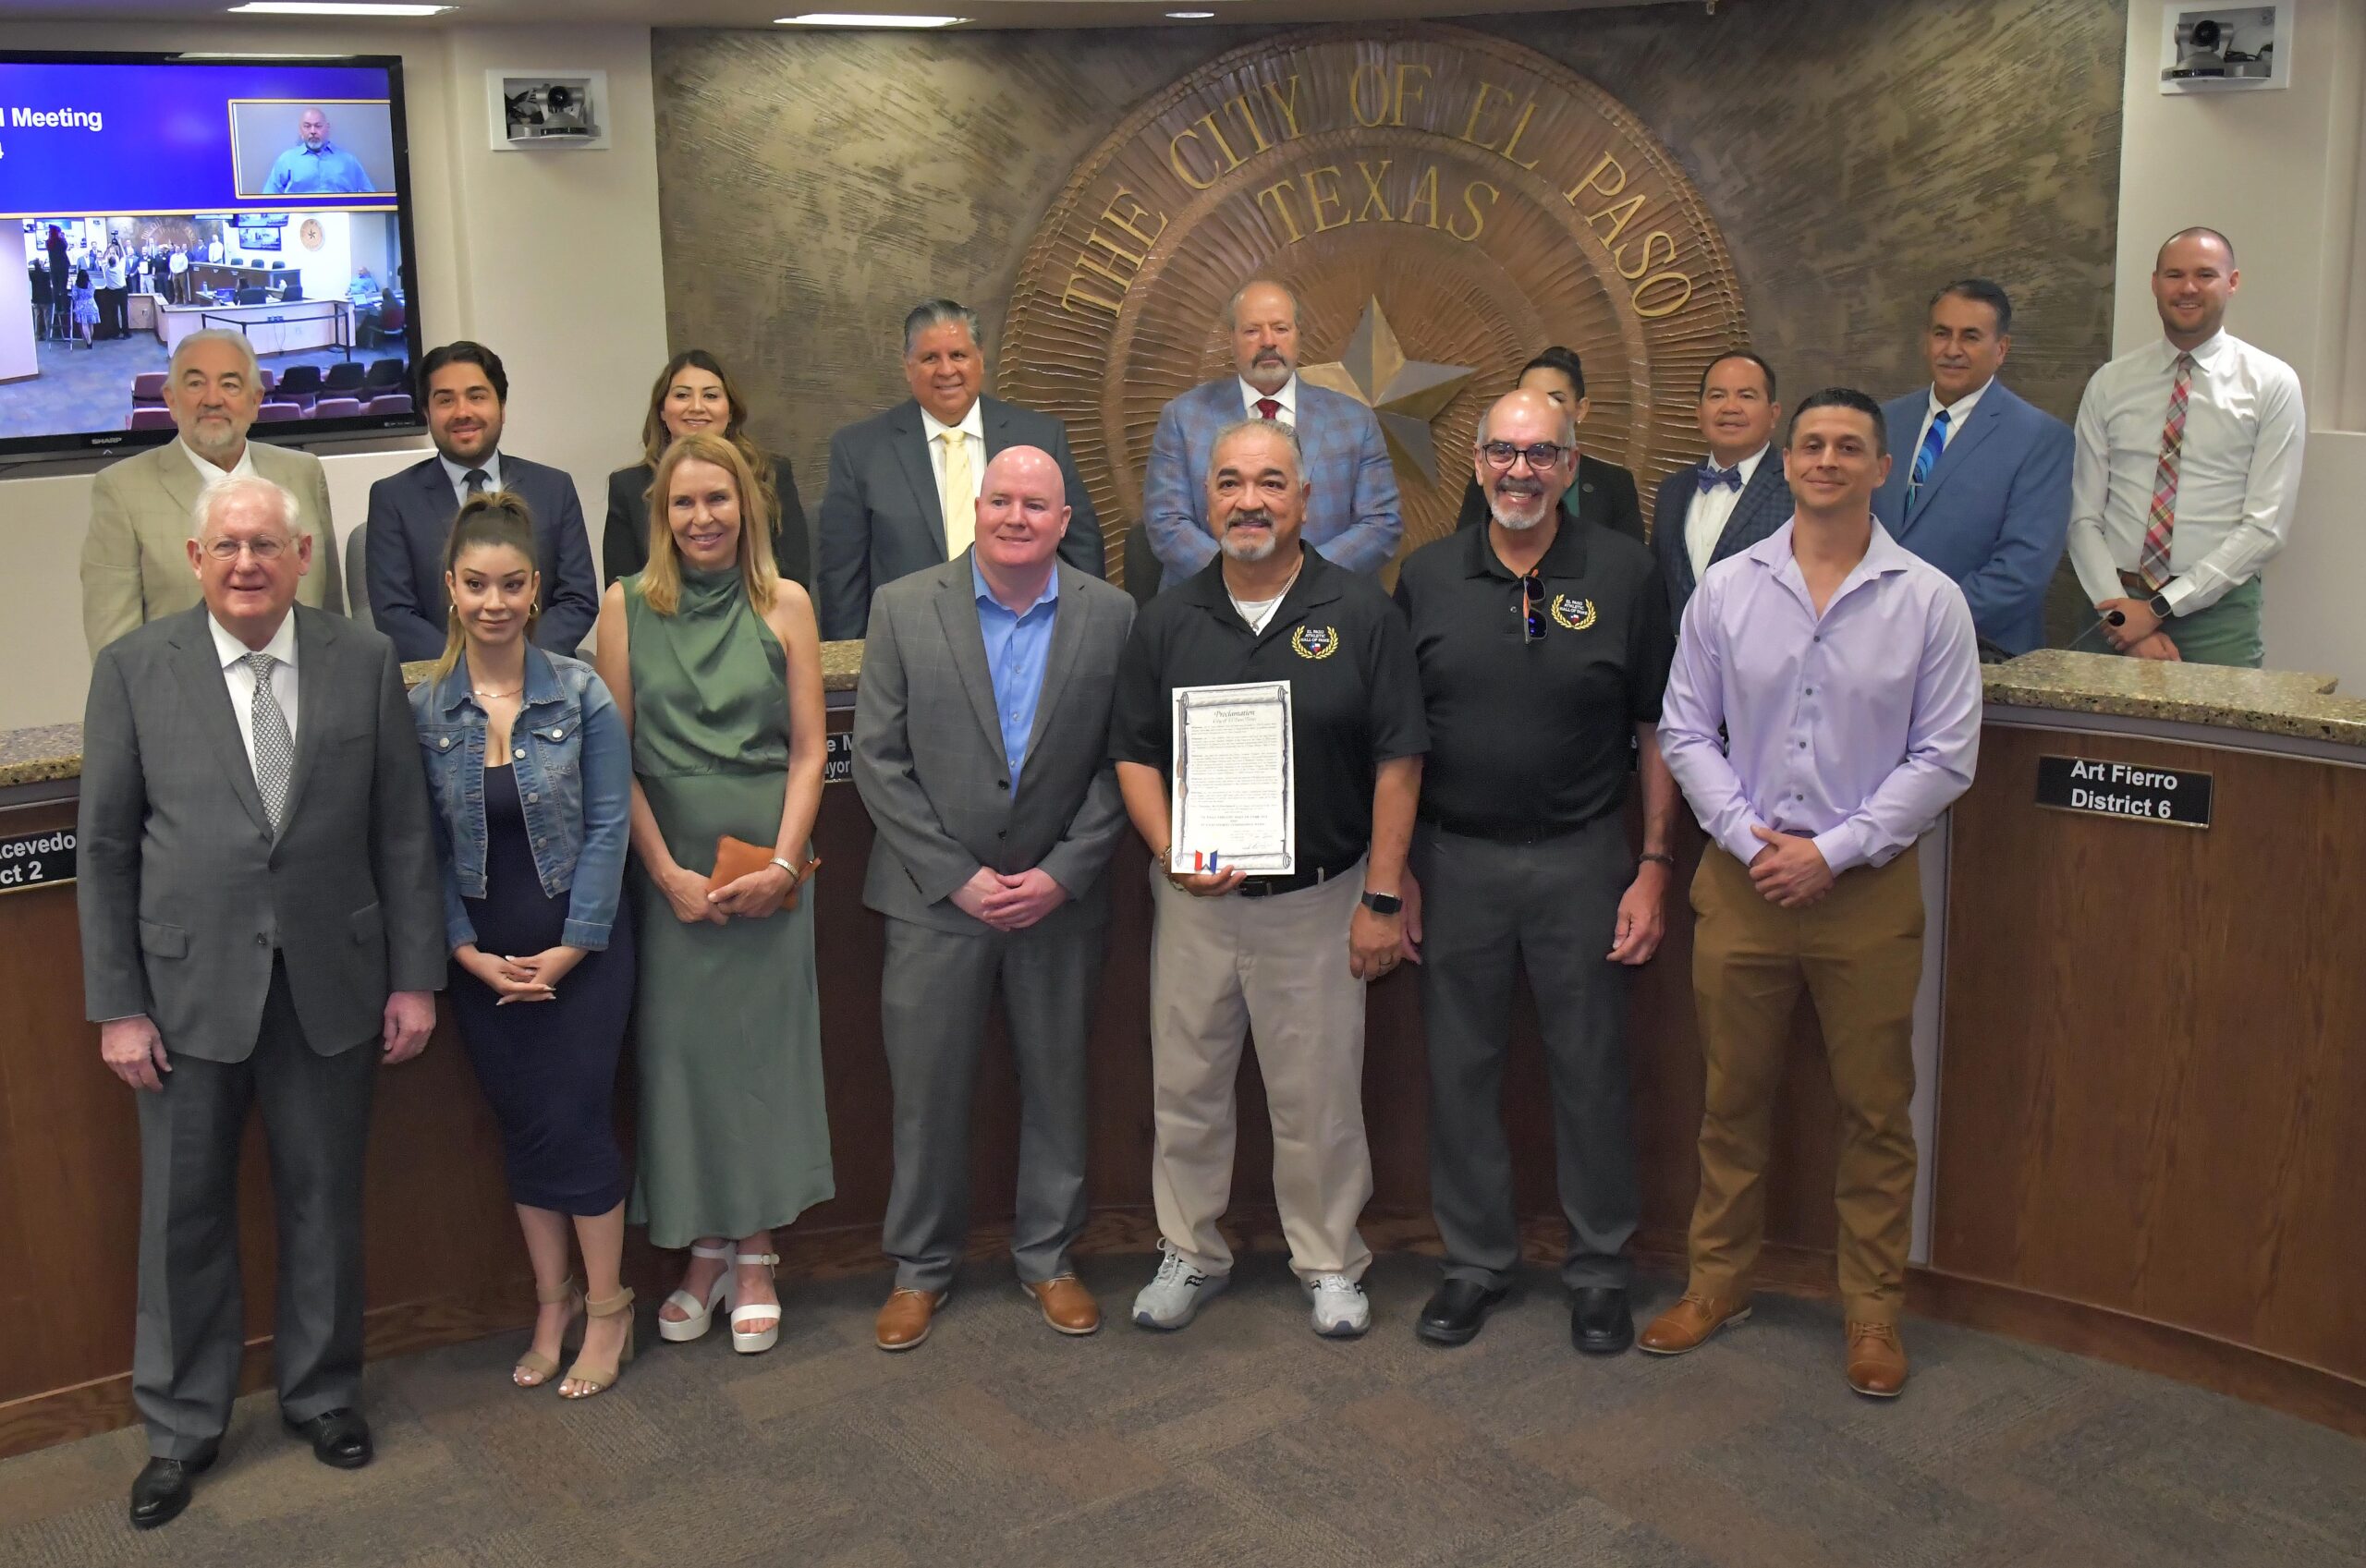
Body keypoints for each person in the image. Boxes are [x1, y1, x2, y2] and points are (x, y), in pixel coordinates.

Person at [78, 472, 443, 1529]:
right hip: (182, 995)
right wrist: (118, 1004)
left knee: (322, 1197)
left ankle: (324, 1393)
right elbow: (104, 850)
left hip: (332, 981)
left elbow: (403, 830)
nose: (246, 562)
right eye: (227, 546)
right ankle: (183, 1426)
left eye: (266, 545)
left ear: (301, 558)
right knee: (182, 1217)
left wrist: (414, 974)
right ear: (195, 561)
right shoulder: (135, 668)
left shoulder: (363, 660)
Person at [1641, 388, 1981, 1399]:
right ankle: (1716, 1282)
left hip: (1865, 891)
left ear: (1882, 467)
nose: (1826, 459)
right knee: (1728, 1098)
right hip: (1741, 883)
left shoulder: (1928, 600)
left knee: (1875, 1108)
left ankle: (1872, 1311)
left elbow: (1946, 755)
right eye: (1811, 445)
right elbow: (1684, 728)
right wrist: (1750, 839)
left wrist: (1832, 849)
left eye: (1849, 447)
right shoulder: (1728, 589)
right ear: (1786, 461)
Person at [1110, 418, 1426, 1339]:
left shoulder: (1362, 613)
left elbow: (1398, 761)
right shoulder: (1166, 617)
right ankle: (1190, 1249)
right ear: (1207, 498)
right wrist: (1170, 849)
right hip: (1197, 905)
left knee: (1319, 1093)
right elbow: (1133, 753)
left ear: (1304, 499)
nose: (1248, 500)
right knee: (1187, 1086)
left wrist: (1381, 893)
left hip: (1319, 901)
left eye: (1269, 482)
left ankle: (1329, 1258)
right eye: (1230, 482)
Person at [1395, 388, 1677, 1353]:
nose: (1521, 470)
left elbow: (1656, 729)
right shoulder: (1426, 577)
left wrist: (1650, 865)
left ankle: (1598, 1269)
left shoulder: (1628, 573)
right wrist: (1400, 874)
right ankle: (1474, 1261)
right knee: (1459, 1069)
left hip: (1583, 858)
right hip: (1456, 857)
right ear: (1476, 462)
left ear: (1571, 463)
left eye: (1541, 454)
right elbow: (1400, 744)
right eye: (1504, 453)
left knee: (1591, 1068)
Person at [852, 446, 1137, 1351]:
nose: (1017, 516)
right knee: (926, 1094)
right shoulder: (902, 606)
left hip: (1057, 900)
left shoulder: (1113, 615)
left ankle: (1048, 1256)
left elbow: (1119, 762)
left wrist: (1060, 871)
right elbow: (878, 760)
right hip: (935, 901)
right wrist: (957, 875)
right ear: (976, 507)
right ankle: (919, 1269)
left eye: (1036, 504)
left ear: (1062, 520)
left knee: (1057, 1083)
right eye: (1002, 500)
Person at [592, 431, 833, 1358]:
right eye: (684, 503)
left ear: (748, 508)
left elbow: (811, 747)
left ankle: (759, 1248)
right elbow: (613, 756)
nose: (702, 518)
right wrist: (663, 872)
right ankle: (702, 1250)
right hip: (672, 868)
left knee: (762, 1059)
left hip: (766, 869)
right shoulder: (623, 608)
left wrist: (781, 860)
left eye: (718, 500)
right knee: (682, 1062)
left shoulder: (789, 604)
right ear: (661, 516)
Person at [410, 492, 639, 1398]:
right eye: (476, 584)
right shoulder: (427, 710)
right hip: (482, 963)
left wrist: (571, 949)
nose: (493, 601)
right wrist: (462, 950)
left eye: (511, 584)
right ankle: (554, 1301)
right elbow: (419, 846)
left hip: (581, 957)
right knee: (523, 1130)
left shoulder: (581, 693)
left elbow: (610, 829)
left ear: (536, 588)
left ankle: (610, 1304)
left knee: (577, 1123)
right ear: (451, 589)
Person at [2067, 228, 2303, 668]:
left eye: (2205, 275)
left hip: (2218, 617)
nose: (2188, 287)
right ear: (2155, 283)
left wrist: (2158, 610)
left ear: (2232, 282)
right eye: (2174, 275)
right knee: (2095, 738)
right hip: (2111, 604)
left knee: (2213, 737)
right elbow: (2082, 516)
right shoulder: (2111, 382)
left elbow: (2266, 527)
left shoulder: (2271, 383)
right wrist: (2123, 614)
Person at [816, 298, 1104, 639]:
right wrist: (852, 669)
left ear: (980, 359)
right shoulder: (860, 451)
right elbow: (842, 579)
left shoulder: (1040, 438)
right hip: (911, 645)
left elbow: (1081, 550)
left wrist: (1088, 638)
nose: (946, 370)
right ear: (907, 367)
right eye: (929, 358)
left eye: (958, 355)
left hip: (1028, 637)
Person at [83, 329, 342, 654]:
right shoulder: (121, 490)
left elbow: (331, 619)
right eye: (195, 384)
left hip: (306, 696)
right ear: (171, 399)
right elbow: (116, 654)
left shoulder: (303, 472)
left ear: (255, 401)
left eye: (230, 384)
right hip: (183, 701)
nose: (213, 399)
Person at [1140, 280, 1401, 591]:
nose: (1268, 341)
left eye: (1280, 329)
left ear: (1298, 336)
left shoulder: (1355, 420)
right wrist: (1242, 578)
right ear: (1232, 340)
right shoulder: (1183, 417)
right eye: (1252, 331)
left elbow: (1381, 523)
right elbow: (1166, 522)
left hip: (1328, 602)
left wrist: (1301, 577)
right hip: (1211, 605)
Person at [1872, 280, 2073, 657]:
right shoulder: (1882, 422)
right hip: (1865, 647)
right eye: (1941, 333)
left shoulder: (2041, 439)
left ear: (2001, 349)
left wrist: (1918, 625)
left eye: (1970, 337)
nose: (1952, 350)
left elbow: (2021, 573)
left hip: (1976, 654)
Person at [366, 340, 599, 661]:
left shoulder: (554, 488)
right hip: (439, 685)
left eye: (476, 397)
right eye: (445, 400)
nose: (463, 412)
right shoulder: (392, 498)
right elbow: (394, 614)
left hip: (544, 675)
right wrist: (468, 668)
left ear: (502, 408)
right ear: (427, 413)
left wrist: (520, 661)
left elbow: (578, 599)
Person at [605, 348, 811, 590]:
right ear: (662, 410)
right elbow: (623, 590)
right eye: (682, 395)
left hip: (757, 617)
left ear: (731, 410)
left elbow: (793, 577)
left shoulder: (771, 473)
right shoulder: (628, 486)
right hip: (663, 619)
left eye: (711, 396)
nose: (696, 407)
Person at [1452, 347, 1645, 545]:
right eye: (1529, 396)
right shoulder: (1494, 474)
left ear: (1581, 409)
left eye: (1555, 399)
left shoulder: (1614, 483)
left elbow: (1629, 564)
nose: (1539, 407)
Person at [1651, 350, 1789, 624]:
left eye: (1746, 396)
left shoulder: (1797, 488)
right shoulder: (1672, 490)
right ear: (1699, 413)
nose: (1730, 407)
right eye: (1717, 396)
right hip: (1676, 663)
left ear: (1774, 414)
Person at [263, 106, 375, 195]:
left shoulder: (348, 161)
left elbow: (370, 197)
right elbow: (268, 199)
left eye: (318, 126)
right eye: (307, 126)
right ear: (300, 130)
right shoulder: (286, 160)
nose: (313, 131)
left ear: (327, 128)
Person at [70, 266, 97, 347]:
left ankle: (89, 342)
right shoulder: (91, 285)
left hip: (81, 308)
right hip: (92, 306)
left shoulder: (76, 286)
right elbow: (93, 293)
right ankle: (90, 340)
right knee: (90, 325)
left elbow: (74, 297)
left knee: (84, 325)